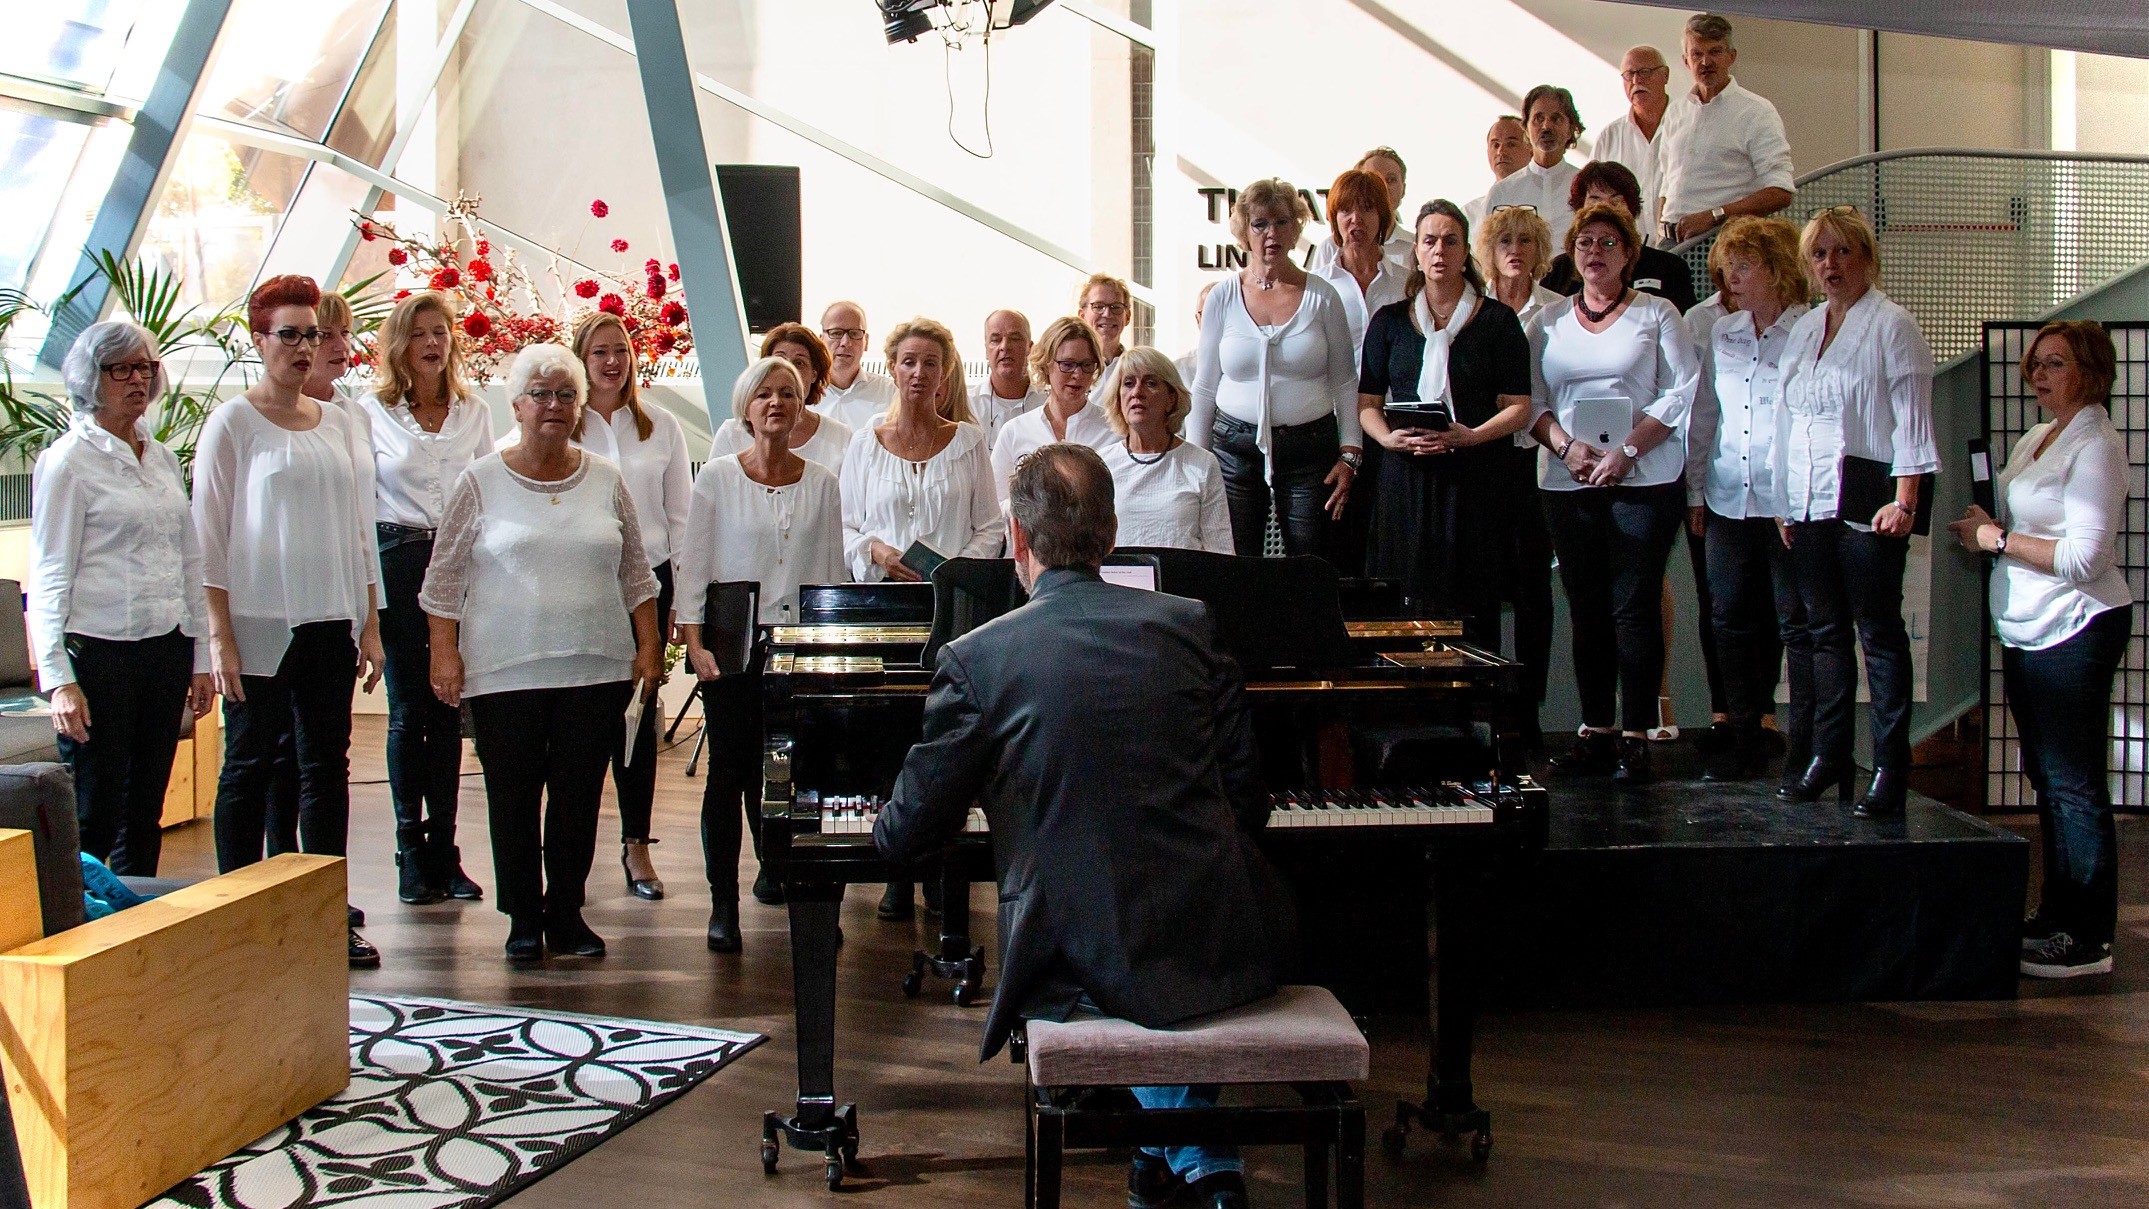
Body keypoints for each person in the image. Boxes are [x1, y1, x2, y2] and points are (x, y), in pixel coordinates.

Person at [873, 443, 1290, 1209]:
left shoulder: (978, 655)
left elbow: (903, 836)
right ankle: (1181, 1159)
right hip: (1219, 929)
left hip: (1079, 946)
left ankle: (1196, 1162)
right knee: (1156, 953)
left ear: (1018, 539)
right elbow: (1249, 802)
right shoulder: (1191, 623)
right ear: (1110, 534)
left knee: (1106, 946)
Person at [420, 343, 662, 963]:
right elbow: (442, 582)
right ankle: (523, 916)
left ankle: (567, 913)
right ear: (517, 404)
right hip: (504, 671)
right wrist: (443, 656)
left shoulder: (607, 480)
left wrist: (649, 645)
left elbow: (636, 574)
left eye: (564, 395)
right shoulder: (480, 481)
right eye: (540, 394)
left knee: (580, 797)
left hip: (596, 666)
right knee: (514, 796)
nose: (552, 405)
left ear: (578, 406)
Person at [193, 275, 385, 968]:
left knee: (325, 769)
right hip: (259, 622)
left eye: (313, 334)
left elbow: (360, 530)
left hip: (331, 617)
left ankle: (324, 912)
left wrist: (370, 621)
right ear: (259, 340)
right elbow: (207, 539)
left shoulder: (339, 420)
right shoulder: (233, 422)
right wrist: (218, 635)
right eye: (290, 334)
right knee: (247, 767)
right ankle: (239, 914)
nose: (304, 347)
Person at [1948, 323, 2131, 979]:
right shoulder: (2035, 438)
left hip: (2076, 626)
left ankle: (2088, 935)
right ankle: (2057, 915)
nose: (2038, 374)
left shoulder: (2098, 445)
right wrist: (1983, 528)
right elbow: (2019, 523)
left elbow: (2085, 557)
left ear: (2089, 369)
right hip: (2028, 628)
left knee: (2074, 784)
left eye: (2054, 362)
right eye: (2034, 363)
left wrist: (1995, 540)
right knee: (2049, 781)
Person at [28, 321, 214, 877]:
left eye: (146, 368)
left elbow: (189, 560)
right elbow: (50, 573)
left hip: (164, 647)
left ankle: (137, 927)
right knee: (97, 810)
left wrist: (200, 658)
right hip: (98, 652)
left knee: (144, 810)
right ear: (92, 377)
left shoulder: (158, 457)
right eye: (122, 369)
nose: (138, 380)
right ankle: (81, 933)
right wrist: (59, 680)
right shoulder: (67, 462)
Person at [677, 358, 847, 952]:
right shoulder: (717, 478)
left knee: (804, 781)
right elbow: (694, 566)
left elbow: (831, 572)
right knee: (729, 776)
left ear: (801, 408)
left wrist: (830, 653)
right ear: (745, 409)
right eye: (764, 394)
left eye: (787, 394)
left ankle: (812, 900)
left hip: (801, 654)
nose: (776, 403)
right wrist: (694, 644)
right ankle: (723, 906)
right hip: (733, 654)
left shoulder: (824, 482)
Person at [1527, 203, 1699, 784]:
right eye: (1585, 243)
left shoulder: (1658, 313)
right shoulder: (1547, 322)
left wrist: (1627, 450)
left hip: (1643, 481)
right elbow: (1531, 403)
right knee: (1587, 609)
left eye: (1608, 243)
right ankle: (1596, 731)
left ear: (1628, 254)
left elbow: (1680, 393)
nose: (1595, 252)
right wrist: (1565, 447)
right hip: (1568, 481)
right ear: (1572, 256)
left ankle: (1636, 736)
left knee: (1634, 606)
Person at [839, 317, 1004, 922]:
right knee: (891, 736)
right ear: (893, 366)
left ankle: (940, 865)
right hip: (886, 609)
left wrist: (957, 566)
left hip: (954, 612)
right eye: (908, 361)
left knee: (948, 739)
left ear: (945, 373)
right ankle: (896, 868)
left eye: (929, 363)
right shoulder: (865, 441)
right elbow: (849, 527)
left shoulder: (968, 441)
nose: (917, 373)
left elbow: (991, 526)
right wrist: (878, 552)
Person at [1773, 206, 1936, 816]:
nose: (1831, 265)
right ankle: (1829, 755)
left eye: (1843, 252)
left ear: (1866, 258)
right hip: (1810, 498)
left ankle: (1891, 768)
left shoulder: (1893, 325)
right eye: (1820, 254)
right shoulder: (1806, 326)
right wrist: (1785, 503)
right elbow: (1790, 418)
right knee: (1824, 635)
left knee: (1879, 635)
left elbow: (1914, 423)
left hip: (1871, 496)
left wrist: (1907, 499)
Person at [349, 292, 492, 905]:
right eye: (419, 334)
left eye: (442, 332)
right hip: (399, 559)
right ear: (399, 345)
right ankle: (410, 850)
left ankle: (446, 853)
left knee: (449, 707)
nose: (433, 343)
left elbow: (490, 487)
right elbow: (361, 506)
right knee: (411, 709)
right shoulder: (368, 413)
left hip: (461, 562)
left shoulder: (474, 411)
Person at [1359, 200, 1534, 634]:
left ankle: (1473, 701)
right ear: (1416, 251)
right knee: (1406, 605)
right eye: (1430, 241)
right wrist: (1386, 440)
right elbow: (1367, 403)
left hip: (1475, 479)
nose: (1439, 251)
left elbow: (1519, 407)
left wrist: (1471, 436)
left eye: (1450, 241)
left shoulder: (1497, 321)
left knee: (1472, 605)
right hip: (1406, 477)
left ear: (1465, 251)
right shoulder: (1389, 322)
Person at [563, 311, 691, 902]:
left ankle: (637, 844)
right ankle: (571, 856)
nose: (612, 361)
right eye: (599, 352)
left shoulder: (660, 426)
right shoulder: (561, 423)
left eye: (620, 350)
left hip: (651, 581)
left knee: (640, 720)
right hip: (584, 581)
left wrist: (680, 601)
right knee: (585, 720)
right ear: (580, 360)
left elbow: (682, 520)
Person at [1684, 217, 1811, 781]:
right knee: (1728, 616)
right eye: (1728, 264)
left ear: (1778, 269)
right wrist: (1693, 490)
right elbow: (1706, 413)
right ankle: (1742, 738)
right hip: (1727, 495)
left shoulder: (1811, 331)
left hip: (1789, 502)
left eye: (1744, 264)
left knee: (1794, 620)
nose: (1730, 275)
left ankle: (1805, 743)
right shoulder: (1723, 332)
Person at [1187, 177, 1362, 560]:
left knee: (1310, 564)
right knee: (1232, 562)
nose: (1272, 234)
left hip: (1309, 451)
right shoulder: (1222, 296)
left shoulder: (1322, 296)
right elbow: (1204, 387)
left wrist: (1350, 454)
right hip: (1234, 450)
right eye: (1260, 224)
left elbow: (1346, 382)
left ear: (1296, 228)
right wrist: (1196, 462)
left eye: (1282, 222)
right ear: (1244, 232)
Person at [1656, 12, 1795, 245]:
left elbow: (1780, 191)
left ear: (1732, 56)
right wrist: (1660, 228)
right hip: (1669, 244)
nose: (1705, 62)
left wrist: (1714, 216)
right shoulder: (1676, 112)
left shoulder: (1756, 112)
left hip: (1723, 241)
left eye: (1715, 52)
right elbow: (1666, 184)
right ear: (1685, 60)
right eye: (1697, 53)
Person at [1099, 347, 1232, 553]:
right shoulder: (1101, 465)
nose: (1137, 392)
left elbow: (1221, 550)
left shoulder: (1202, 463)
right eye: (1128, 383)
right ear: (1117, 397)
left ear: (1171, 399)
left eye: (1150, 383)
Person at [991, 315, 1120, 508]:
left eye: (1086, 365)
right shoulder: (1015, 431)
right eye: (1067, 364)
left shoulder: (1114, 430)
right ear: (1046, 364)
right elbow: (993, 504)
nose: (1077, 375)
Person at [1540, 162, 1697, 311]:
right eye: (1595, 200)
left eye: (1616, 201)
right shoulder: (1559, 270)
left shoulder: (1669, 268)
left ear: (1632, 209)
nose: (1605, 208)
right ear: (1579, 208)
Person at [709, 323, 853, 476]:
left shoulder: (840, 436)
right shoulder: (731, 433)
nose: (789, 370)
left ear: (814, 374)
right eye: (780, 361)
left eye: (799, 363)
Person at [1311, 168, 1412, 358]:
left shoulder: (1406, 284)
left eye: (1367, 208)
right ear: (1334, 218)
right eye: (1346, 210)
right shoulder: (1316, 286)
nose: (1356, 219)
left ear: (1382, 216)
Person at [1485, 86, 1585, 246]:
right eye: (1538, 118)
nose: (1546, 126)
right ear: (1526, 129)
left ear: (1571, 129)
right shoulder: (1502, 193)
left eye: (1556, 118)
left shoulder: (1586, 188)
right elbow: (1490, 255)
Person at [1594, 46, 1674, 237]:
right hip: (1622, 252)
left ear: (1665, 75)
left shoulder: (1685, 127)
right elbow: (1591, 202)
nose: (1637, 81)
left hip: (1679, 248)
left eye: (1645, 72)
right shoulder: (1609, 137)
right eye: (1629, 75)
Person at [1310, 147, 1414, 271]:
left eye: (1391, 180)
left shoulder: (1415, 248)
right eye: (1374, 178)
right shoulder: (1330, 248)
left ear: (1404, 189)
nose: (1383, 187)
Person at [1475, 203, 1563, 329]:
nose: (1515, 250)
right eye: (1505, 240)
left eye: (1525, 240)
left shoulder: (1558, 308)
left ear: (1539, 249)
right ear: (1490, 251)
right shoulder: (1472, 304)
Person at [970, 309, 1049, 446]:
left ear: (1029, 348)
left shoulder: (1048, 403)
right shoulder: (968, 406)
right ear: (986, 350)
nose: (1005, 347)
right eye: (995, 340)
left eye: (1014, 339)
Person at [817, 300, 897, 432]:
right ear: (821, 340)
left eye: (854, 333)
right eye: (836, 333)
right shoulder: (804, 395)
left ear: (866, 342)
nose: (845, 342)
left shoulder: (890, 394)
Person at [1463, 117, 1531, 230]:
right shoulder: (1469, 214)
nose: (1500, 152)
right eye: (1495, 145)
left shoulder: (1546, 203)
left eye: (1511, 144)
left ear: (1531, 150)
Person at [1079, 273, 1135, 404]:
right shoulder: (1068, 369)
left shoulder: (1138, 369)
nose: (1107, 314)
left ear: (1127, 316)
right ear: (1082, 316)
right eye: (1098, 306)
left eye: (1116, 307)